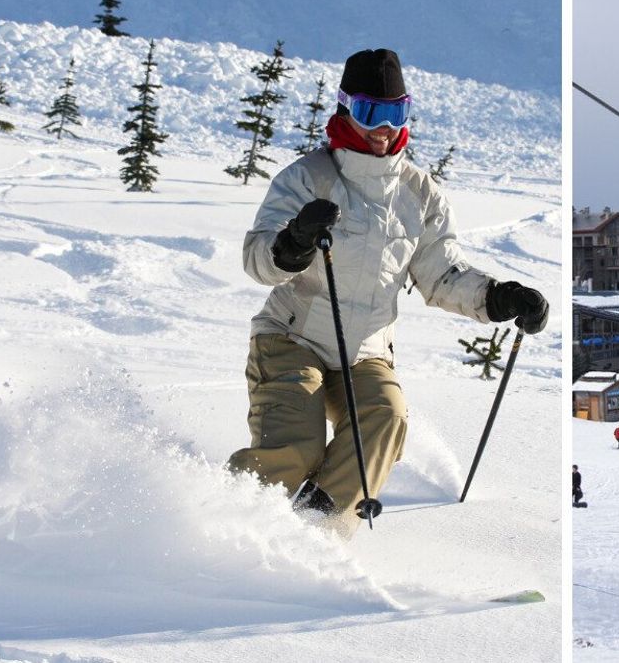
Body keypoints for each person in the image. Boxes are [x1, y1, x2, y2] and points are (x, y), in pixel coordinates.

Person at [227, 49, 550, 524]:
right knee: (297, 448)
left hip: (367, 351)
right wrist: (292, 243)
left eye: (395, 113)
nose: (383, 128)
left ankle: (314, 528)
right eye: (370, 112)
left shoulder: (419, 193)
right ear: (345, 109)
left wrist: (498, 297)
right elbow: (258, 260)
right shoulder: (308, 178)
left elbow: (441, 276)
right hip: (291, 338)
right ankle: (227, 518)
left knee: (385, 423)